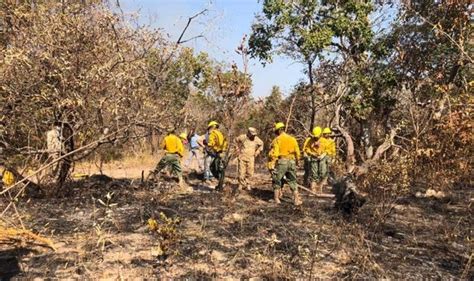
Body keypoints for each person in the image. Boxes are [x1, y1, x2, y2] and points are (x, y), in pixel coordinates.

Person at [268, 122, 301, 205]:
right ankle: (296, 200)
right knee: (293, 181)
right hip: (292, 161)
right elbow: (297, 152)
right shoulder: (292, 139)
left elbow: (275, 153)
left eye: (275, 131)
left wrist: (272, 164)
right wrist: (297, 161)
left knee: (276, 179)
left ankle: (276, 199)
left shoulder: (277, 140)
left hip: (282, 161)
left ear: (278, 130)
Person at [303, 126, 325, 193]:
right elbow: (306, 149)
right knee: (314, 174)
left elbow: (327, 150)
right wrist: (311, 153)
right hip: (313, 158)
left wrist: (322, 155)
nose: (316, 138)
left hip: (322, 159)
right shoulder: (310, 140)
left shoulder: (324, 141)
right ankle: (313, 189)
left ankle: (320, 189)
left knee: (322, 173)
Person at [206, 121, 228, 188]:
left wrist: (206, 144)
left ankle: (221, 184)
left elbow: (211, 143)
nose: (209, 129)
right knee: (220, 168)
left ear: (213, 127)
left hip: (219, 153)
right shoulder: (221, 133)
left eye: (209, 128)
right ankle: (220, 185)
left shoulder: (213, 133)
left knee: (213, 168)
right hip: (223, 153)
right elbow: (225, 142)